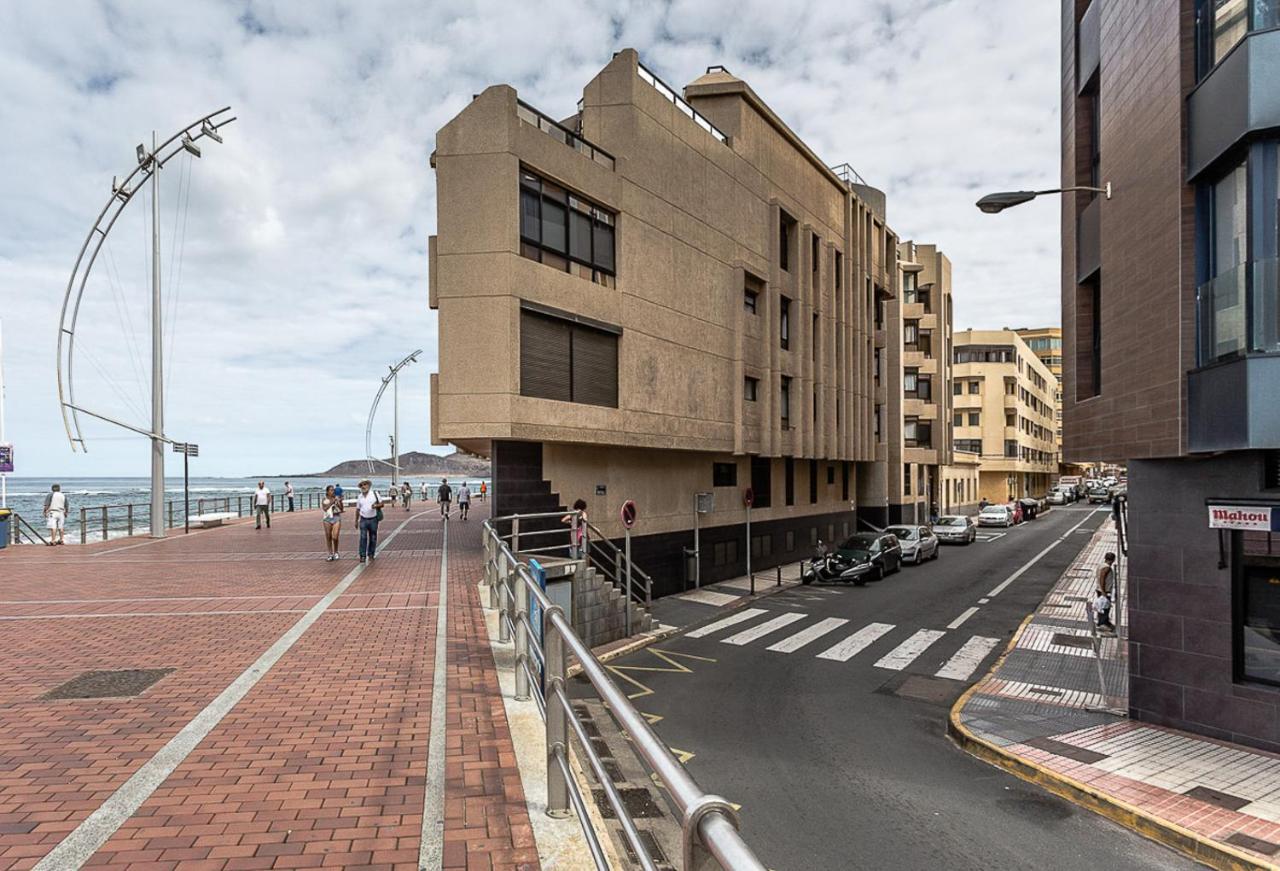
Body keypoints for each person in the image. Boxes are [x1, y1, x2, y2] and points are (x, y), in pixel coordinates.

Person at [354, 479, 383, 563]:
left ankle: (371, 554)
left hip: (373, 519)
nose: (363, 486)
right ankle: (362, 555)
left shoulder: (374, 494)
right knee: (363, 537)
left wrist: (376, 505)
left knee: (373, 537)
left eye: (365, 484)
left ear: (369, 486)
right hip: (363, 519)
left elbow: (382, 504)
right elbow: (357, 509)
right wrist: (356, 521)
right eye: (362, 485)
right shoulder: (360, 496)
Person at [321, 485, 343, 561]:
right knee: (328, 536)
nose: (332, 491)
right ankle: (330, 553)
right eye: (331, 490)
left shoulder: (336, 498)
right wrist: (331, 502)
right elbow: (325, 508)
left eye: (333, 490)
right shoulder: (325, 499)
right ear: (327, 491)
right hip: (327, 518)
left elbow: (341, 509)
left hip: (336, 517)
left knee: (335, 536)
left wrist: (339, 502)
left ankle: (336, 552)